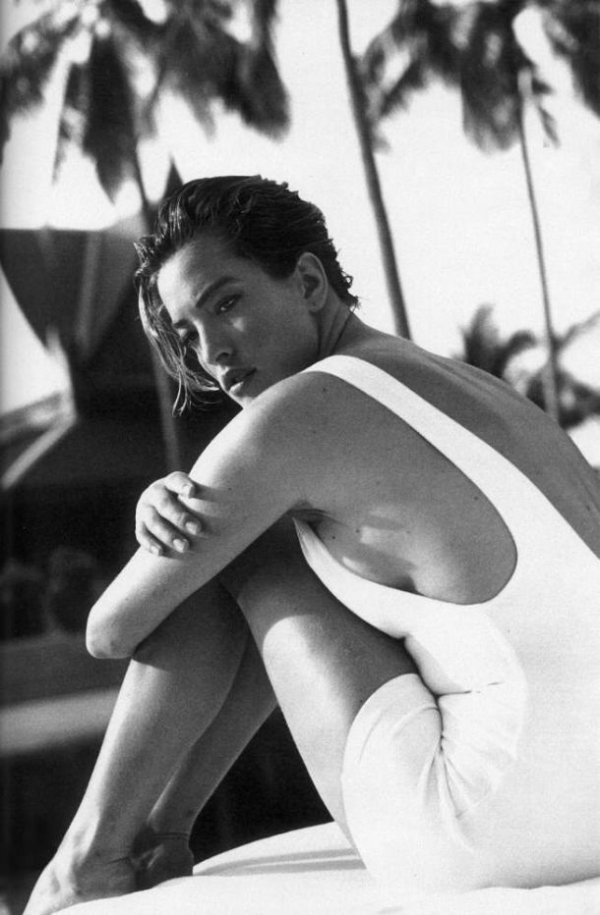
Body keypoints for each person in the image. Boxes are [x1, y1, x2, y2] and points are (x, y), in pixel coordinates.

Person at [24, 176, 600, 915]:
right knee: (251, 534)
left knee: (246, 546)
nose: (212, 354)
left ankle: (91, 855)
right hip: (588, 811)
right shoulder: (484, 393)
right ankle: (161, 833)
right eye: (188, 334)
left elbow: (109, 631)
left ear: (306, 281)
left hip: (487, 830)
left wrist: (160, 513)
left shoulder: (294, 414)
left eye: (226, 303)